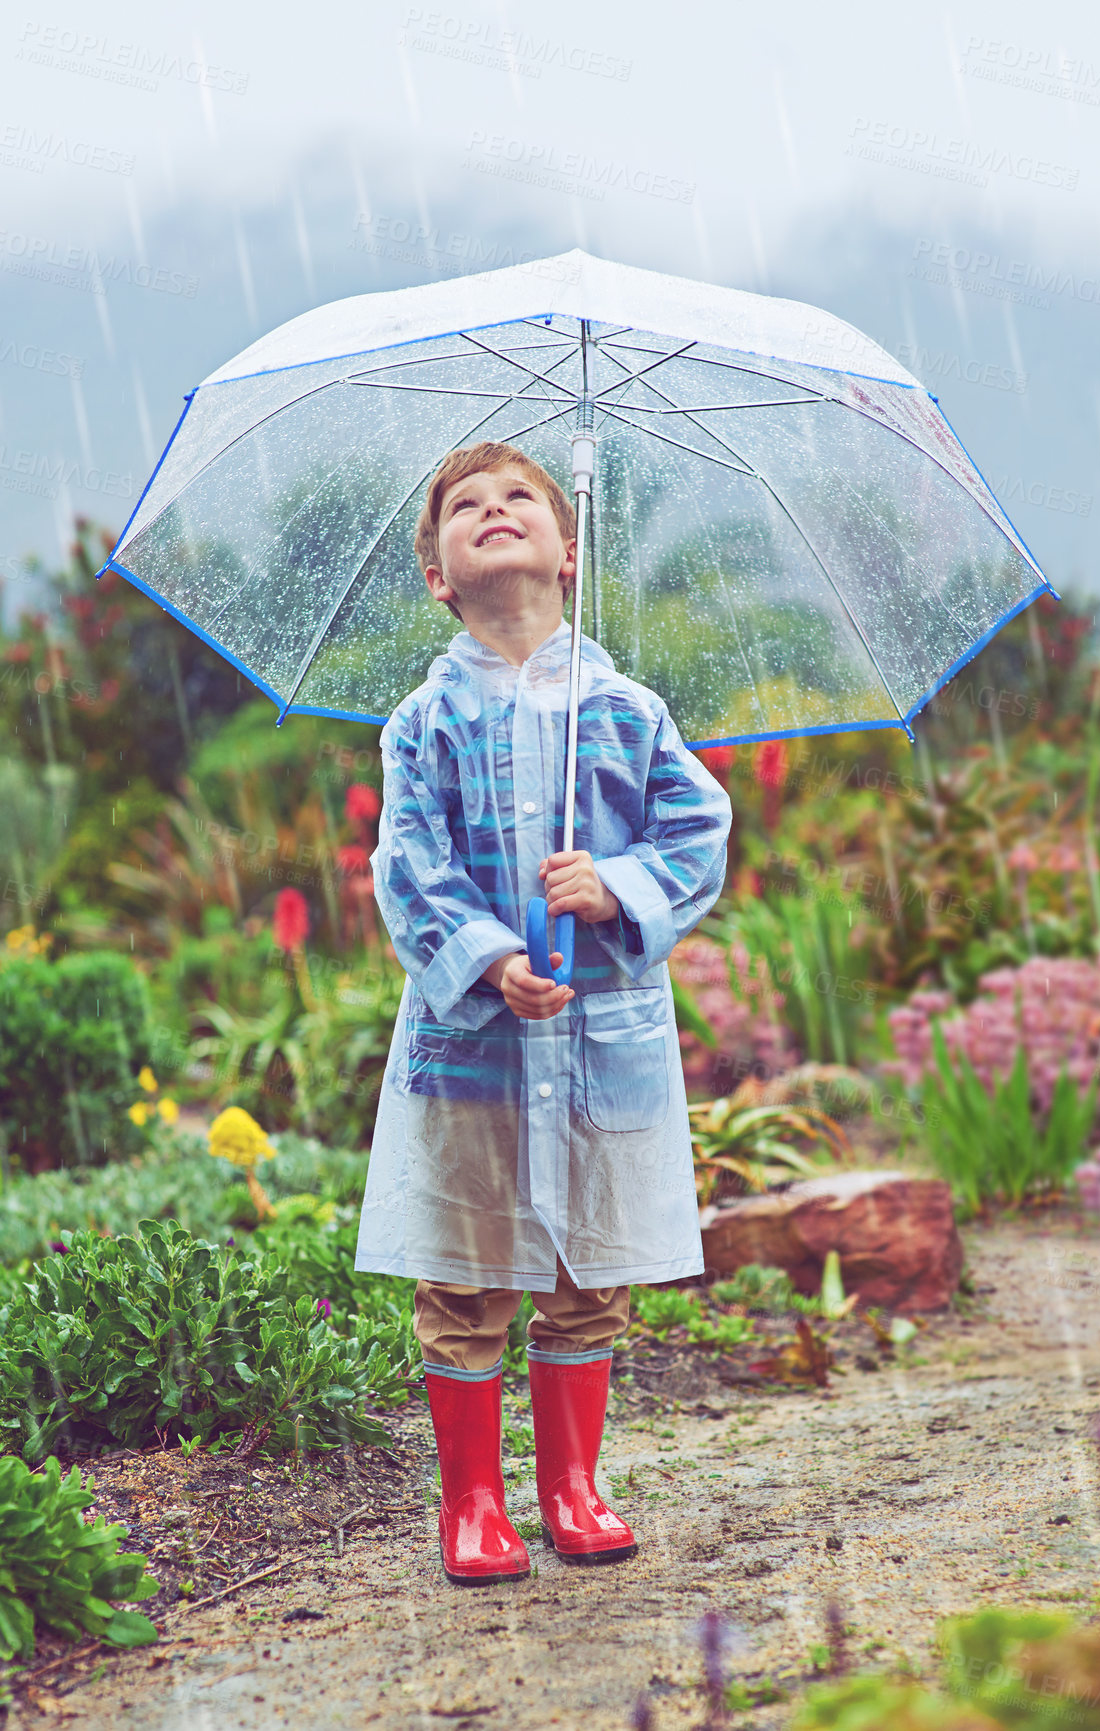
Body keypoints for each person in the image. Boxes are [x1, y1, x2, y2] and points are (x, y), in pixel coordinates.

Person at [354, 439, 731, 1585]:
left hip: (601, 1045)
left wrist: (613, 885)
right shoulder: (424, 723)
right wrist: (490, 957)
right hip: (474, 1051)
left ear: (570, 553)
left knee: (589, 1272)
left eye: (521, 497)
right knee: (464, 1277)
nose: (496, 510)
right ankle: (471, 1503)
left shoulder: (626, 710)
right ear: (439, 573)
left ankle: (571, 1484)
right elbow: (408, 863)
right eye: (467, 506)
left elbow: (697, 837)